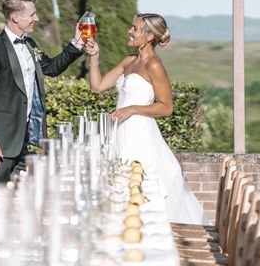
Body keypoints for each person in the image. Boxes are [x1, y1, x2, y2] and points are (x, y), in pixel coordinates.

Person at [86, 13, 209, 225]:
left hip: (140, 135)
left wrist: (132, 109)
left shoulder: (154, 65)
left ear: (149, 36)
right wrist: (94, 57)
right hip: (119, 133)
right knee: (119, 188)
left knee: (142, 189)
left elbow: (166, 107)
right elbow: (97, 86)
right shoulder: (128, 62)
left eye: (134, 29)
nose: (129, 31)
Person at [0, 0, 86, 201]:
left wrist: (76, 44)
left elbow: (50, 68)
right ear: (16, 17)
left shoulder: (30, 45)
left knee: (32, 200)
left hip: (23, 143)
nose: (37, 18)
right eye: (32, 14)